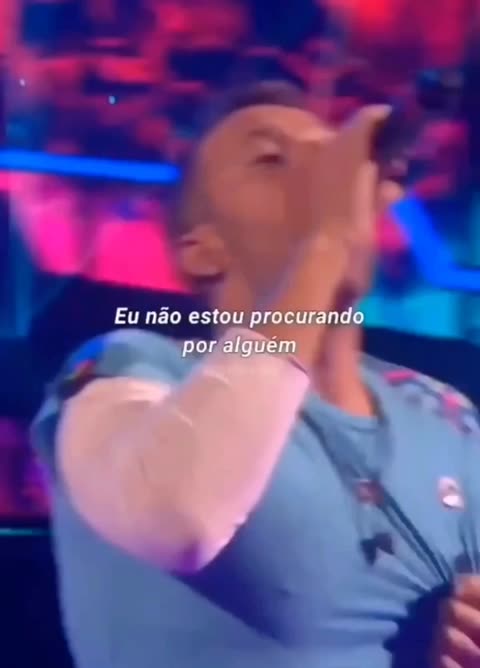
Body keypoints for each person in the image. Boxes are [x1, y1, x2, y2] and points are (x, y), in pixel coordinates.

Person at [32, 81, 480, 668]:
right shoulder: (130, 371)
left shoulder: (443, 412)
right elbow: (177, 516)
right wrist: (326, 237)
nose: (327, 180)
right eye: (271, 159)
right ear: (201, 250)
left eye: (330, 158)